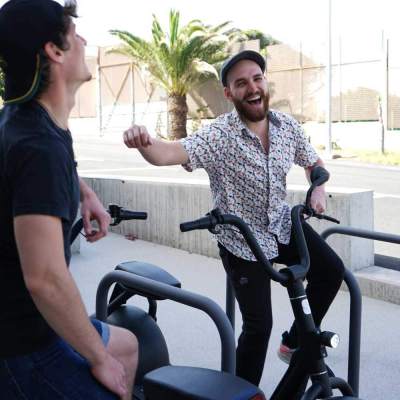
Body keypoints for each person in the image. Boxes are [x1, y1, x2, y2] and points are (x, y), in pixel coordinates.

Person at [122, 49, 344, 386]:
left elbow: (314, 163)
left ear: (265, 82)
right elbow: (168, 152)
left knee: (331, 270)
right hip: (242, 241)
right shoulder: (220, 134)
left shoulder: (287, 127)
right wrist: (143, 141)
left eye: (257, 78)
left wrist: (318, 187)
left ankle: (295, 341)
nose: (252, 88)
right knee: (258, 327)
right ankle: (242, 394)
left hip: (282, 224)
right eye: (241, 83)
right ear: (229, 93)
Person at [0, 1, 138, 399]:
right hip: (24, 344)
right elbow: (45, 279)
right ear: (54, 51)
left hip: (26, 322)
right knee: (111, 369)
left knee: (128, 346)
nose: (85, 40)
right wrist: (98, 358)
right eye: (75, 33)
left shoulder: (23, 118)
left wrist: (84, 191)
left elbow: (33, 164)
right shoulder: (39, 147)